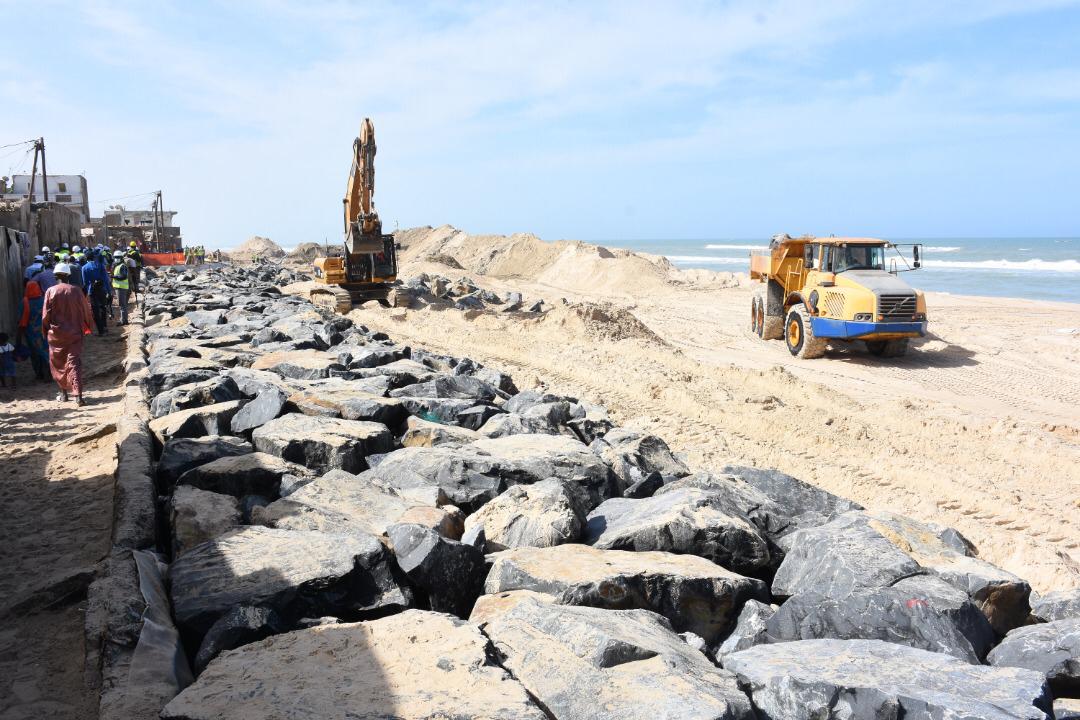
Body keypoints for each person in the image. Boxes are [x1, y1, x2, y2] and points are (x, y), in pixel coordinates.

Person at [41, 263, 93, 405]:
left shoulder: (50, 291)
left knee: (58, 364)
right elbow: (86, 310)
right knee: (74, 363)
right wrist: (88, 326)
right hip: (75, 333)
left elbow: (46, 315)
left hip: (56, 335)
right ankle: (78, 396)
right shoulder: (76, 291)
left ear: (55, 276)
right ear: (68, 275)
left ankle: (63, 394)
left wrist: (45, 331)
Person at [17, 279, 48, 381]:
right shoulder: (44, 300)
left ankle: (39, 374)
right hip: (44, 331)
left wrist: (18, 338)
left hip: (31, 333)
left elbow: (21, 322)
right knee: (45, 352)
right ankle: (48, 373)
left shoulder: (24, 302)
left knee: (35, 354)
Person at [82, 250, 111, 335]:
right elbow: (106, 279)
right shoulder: (100, 265)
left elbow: (85, 282)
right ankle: (105, 326)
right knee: (103, 308)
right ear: (94, 257)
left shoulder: (84, 268)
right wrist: (109, 291)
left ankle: (100, 330)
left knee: (95, 311)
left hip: (92, 291)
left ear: (86, 258)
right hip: (102, 289)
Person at [111, 250, 131, 325]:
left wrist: (114, 276)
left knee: (122, 305)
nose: (116, 258)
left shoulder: (122, 266)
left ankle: (124, 320)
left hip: (121, 288)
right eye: (115, 257)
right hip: (119, 287)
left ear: (121, 258)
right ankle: (123, 319)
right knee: (123, 304)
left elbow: (123, 276)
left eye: (118, 257)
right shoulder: (117, 265)